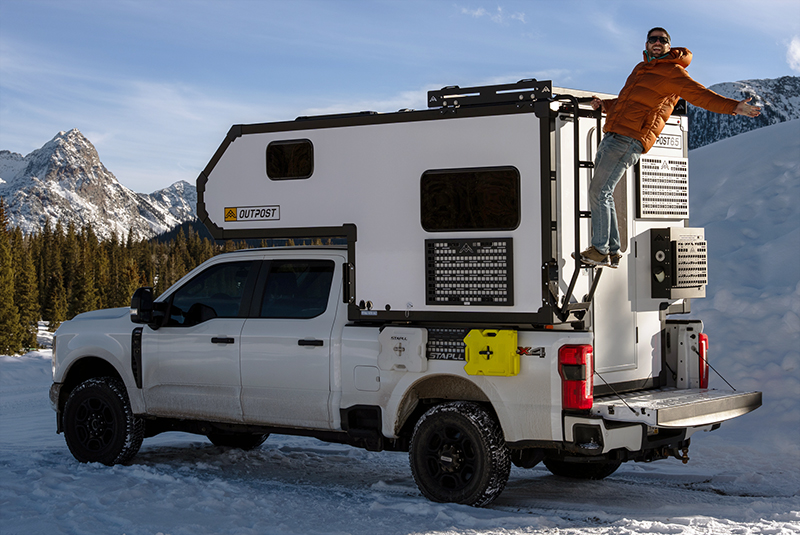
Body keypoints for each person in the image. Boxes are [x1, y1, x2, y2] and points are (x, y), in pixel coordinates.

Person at [579, 27, 761, 267]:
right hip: (613, 134)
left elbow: (701, 95)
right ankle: (611, 250)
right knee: (604, 193)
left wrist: (734, 107)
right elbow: (629, 102)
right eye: (652, 39)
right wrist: (605, 104)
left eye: (662, 40)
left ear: (669, 46)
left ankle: (601, 248)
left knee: (598, 192)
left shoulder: (674, 72)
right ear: (646, 44)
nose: (657, 42)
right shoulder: (641, 69)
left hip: (628, 138)